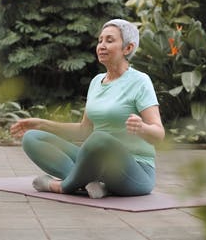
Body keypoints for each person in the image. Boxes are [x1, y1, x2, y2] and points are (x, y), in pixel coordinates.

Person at [10, 19, 165, 198]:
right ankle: (92, 183)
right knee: (32, 138)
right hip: (96, 164)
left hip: (135, 171)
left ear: (127, 48)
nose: (102, 46)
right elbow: (84, 130)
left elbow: (159, 134)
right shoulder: (96, 82)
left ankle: (62, 186)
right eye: (100, 41)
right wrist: (41, 124)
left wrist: (143, 128)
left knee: (100, 139)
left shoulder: (140, 81)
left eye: (109, 40)